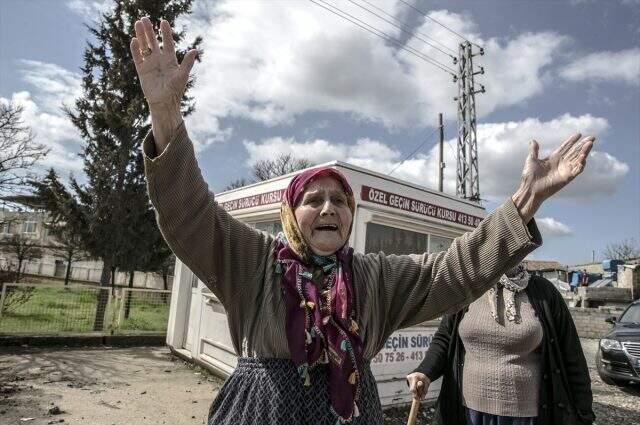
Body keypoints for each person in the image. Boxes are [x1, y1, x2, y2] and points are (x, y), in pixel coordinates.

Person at [130, 17, 594, 425]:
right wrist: (166, 115)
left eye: (340, 200)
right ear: (291, 214)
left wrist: (526, 199)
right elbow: (189, 212)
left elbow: (455, 268)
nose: (329, 208)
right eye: (314, 200)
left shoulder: (375, 277)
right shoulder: (252, 260)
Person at [406, 264, 594, 425]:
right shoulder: (467, 289)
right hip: (468, 411)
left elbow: (572, 357)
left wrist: (583, 413)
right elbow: (445, 339)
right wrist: (425, 372)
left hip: (525, 416)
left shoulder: (544, 292)